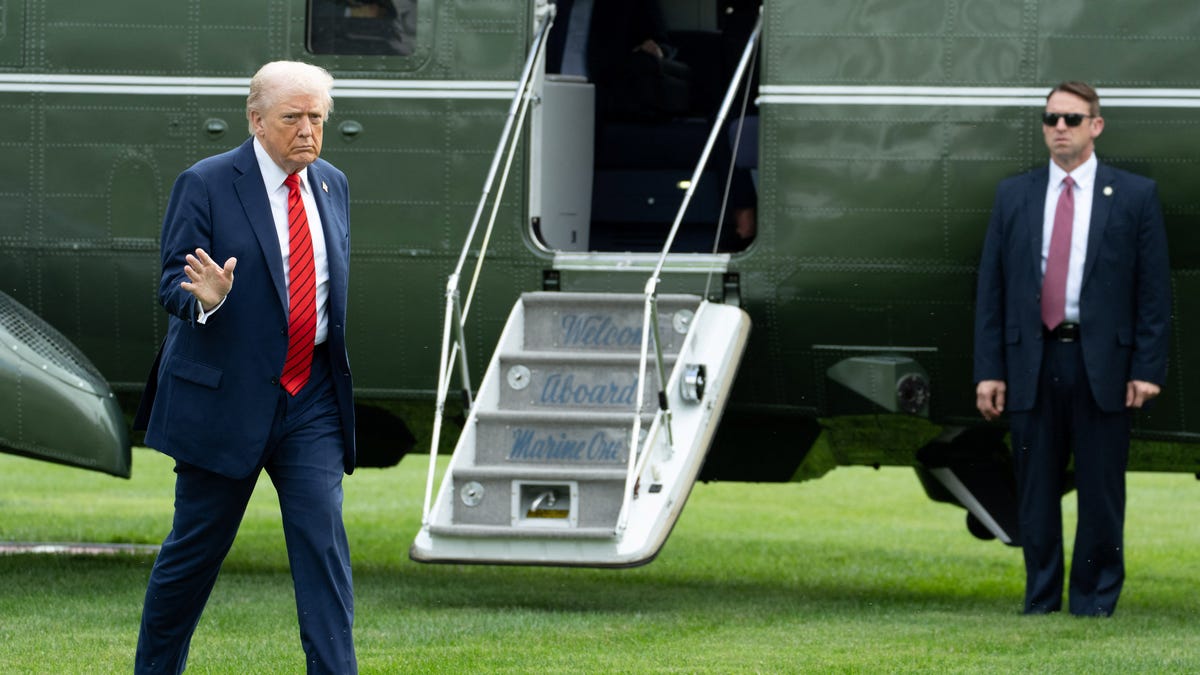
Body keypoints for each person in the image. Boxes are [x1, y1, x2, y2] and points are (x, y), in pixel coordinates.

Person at [133, 61, 357, 672]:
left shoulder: (333, 184)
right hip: (225, 400)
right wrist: (204, 299)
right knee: (192, 558)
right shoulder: (205, 182)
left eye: (317, 117)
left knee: (324, 550)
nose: (307, 130)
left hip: (309, 399)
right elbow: (172, 282)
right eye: (293, 118)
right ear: (256, 120)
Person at [973, 81, 1171, 616]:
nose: (1060, 127)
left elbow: (1153, 292)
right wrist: (989, 370)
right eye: (1051, 118)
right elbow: (992, 289)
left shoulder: (1133, 196)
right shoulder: (1014, 195)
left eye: (1072, 119)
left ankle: (1094, 600)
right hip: (1032, 361)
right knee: (1035, 490)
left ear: (1096, 126)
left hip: (1102, 363)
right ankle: (1040, 599)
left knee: (1101, 490)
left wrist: (1146, 367)